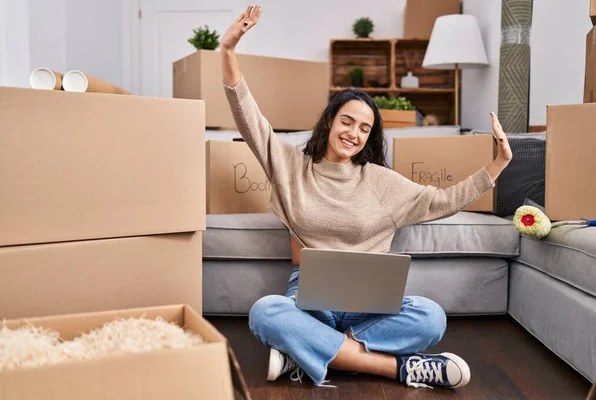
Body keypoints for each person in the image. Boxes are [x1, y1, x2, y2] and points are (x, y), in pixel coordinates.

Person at [219, 5, 513, 390]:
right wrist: (227, 51)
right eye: (346, 121)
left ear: (369, 137)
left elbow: (443, 200)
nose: (353, 133)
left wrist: (497, 164)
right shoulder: (291, 166)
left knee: (431, 316)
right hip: (310, 303)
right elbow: (249, 118)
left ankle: (307, 354)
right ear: (329, 121)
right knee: (264, 312)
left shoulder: (381, 181)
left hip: (371, 309)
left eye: (364, 128)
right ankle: (399, 369)